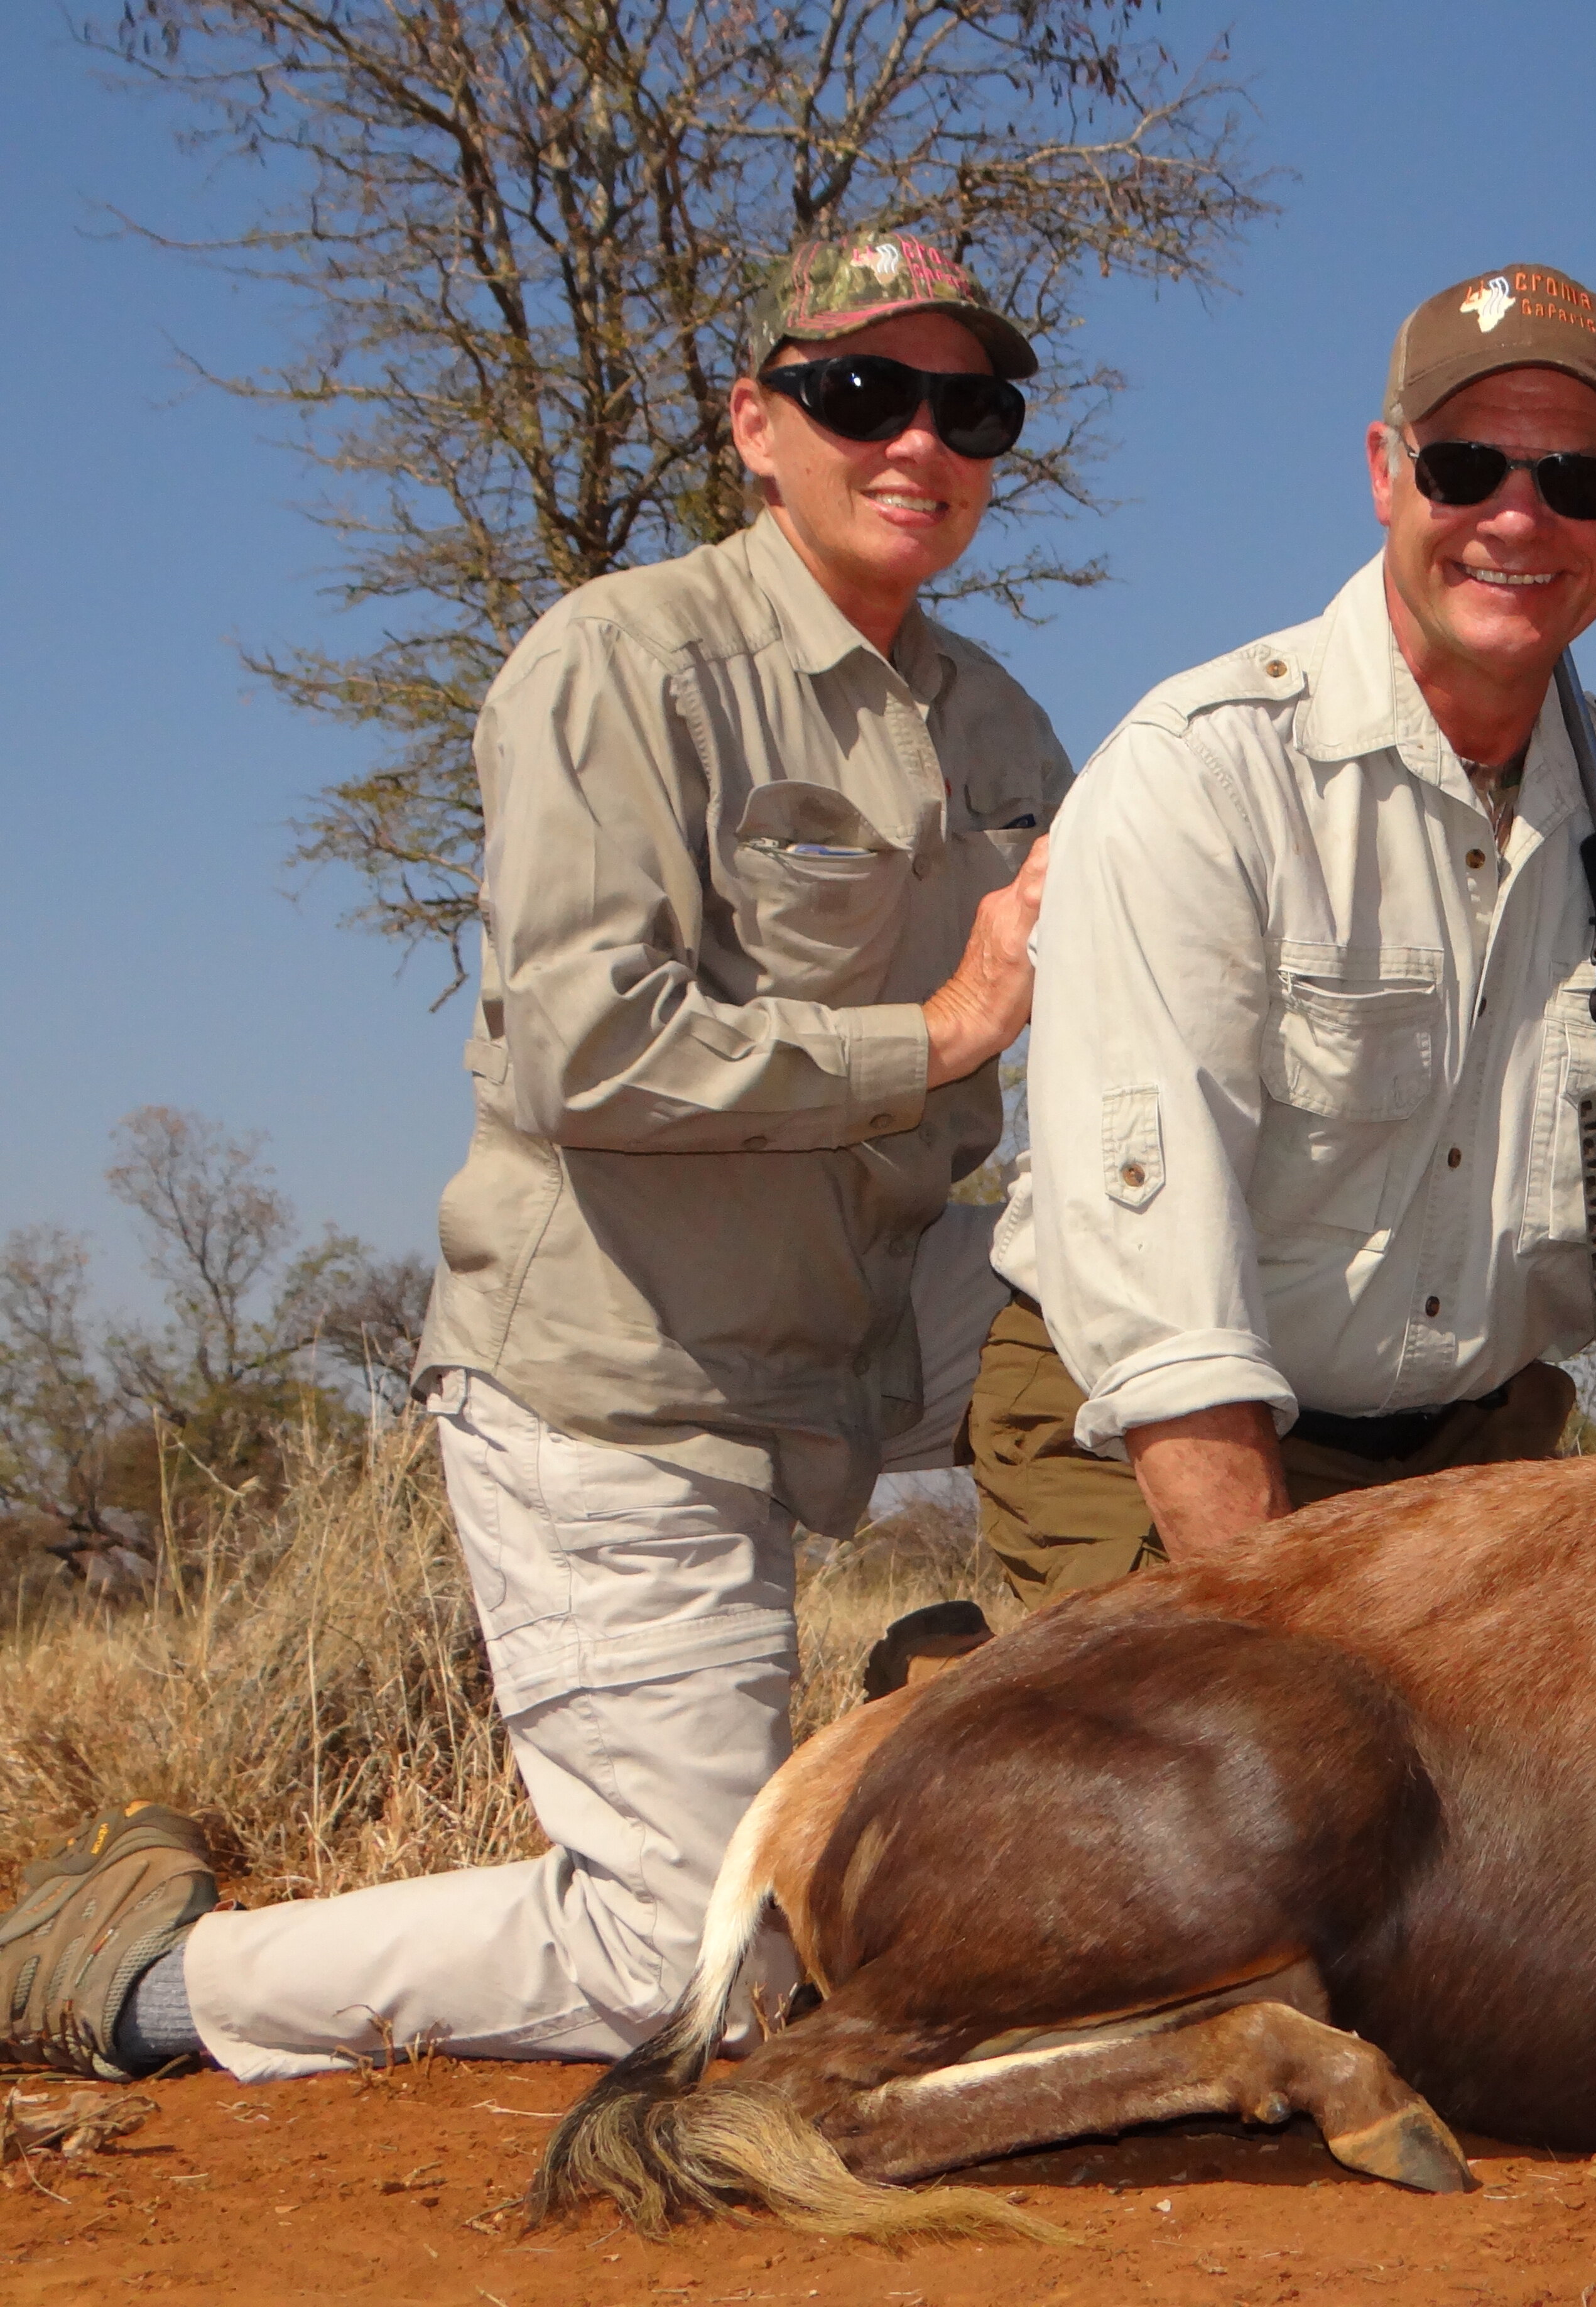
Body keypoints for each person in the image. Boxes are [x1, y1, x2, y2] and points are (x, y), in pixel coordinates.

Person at [0, 234, 1068, 2083]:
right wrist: (942, 1034)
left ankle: (1004, 1735)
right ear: (757, 423)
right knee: (681, 1972)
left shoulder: (997, 723)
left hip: (877, 1320)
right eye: (860, 394)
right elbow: (585, 1049)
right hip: (625, 1384)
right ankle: (146, 1982)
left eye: (967, 407)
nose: (918, 441)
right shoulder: (617, 659)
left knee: (1163, 1313)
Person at [971, 262, 1596, 1591]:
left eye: (1577, 481)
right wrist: (1281, 1649)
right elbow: (1162, 1304)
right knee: (1265, 1789)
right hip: (1148, 1431)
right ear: (1386, 471)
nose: (1517, 518)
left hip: (1480, 1462)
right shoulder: (1198, 773)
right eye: (1467, 467)